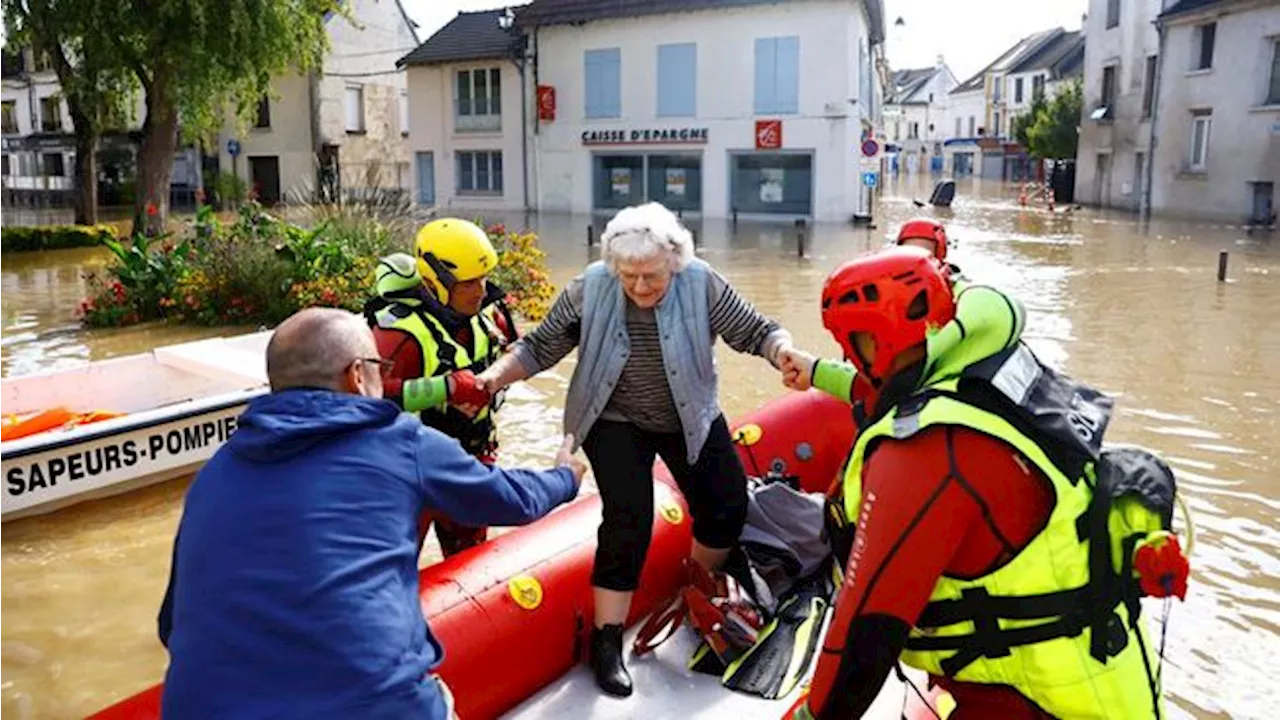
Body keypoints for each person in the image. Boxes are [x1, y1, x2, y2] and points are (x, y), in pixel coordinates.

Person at [784, 247, 1179, 719]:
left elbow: (865, 629)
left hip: (1040, 705)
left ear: (877, 338)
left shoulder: (925, 452)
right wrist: (815, 372)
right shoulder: (988, 372)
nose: (850, 354)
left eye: (854, 343)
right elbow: (884, 385)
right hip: (1101, 679)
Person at [156, 307, 587, 720]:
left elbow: (170, 625)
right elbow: (513, 499)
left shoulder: (216, 472)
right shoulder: (399, 443)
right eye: (380, 367)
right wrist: (565, 477)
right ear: (358, 376)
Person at [473, 201, 807, 698]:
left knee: (727, 502)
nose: (639, 287)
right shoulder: (591, 287)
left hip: (688, 412)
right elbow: (541, 346)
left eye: (651, 276)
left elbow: (756, 330)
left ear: (674, 261)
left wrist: (783, 352)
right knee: (628, 519)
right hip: (613, 417)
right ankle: (607, 641)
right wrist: (494, 377)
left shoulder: (700, 282)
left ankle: (697, 588)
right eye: (628, 276)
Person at [367, 218, 520, 558]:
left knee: (470, 560)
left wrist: (492, 384)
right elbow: (368, 397)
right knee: (396, 565)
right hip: (409, 473)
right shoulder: (399, 334)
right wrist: (445, 389)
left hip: (469, 459)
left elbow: (518, 357)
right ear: (436, 282)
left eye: (483, 278)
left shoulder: (491, 318)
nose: (480, 290)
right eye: (468, 283)